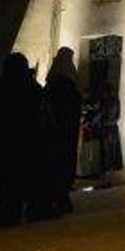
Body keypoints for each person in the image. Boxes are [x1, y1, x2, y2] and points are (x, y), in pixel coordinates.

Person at [0, 54, 46, 226]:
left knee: (6, 181)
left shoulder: (2, 87)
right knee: (22, 178)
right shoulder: (33, 89)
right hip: (27, 143)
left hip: (6, 142)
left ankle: (7, 212)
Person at [44, 48, 83, 216]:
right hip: (66, 135)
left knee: (52, 163)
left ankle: (52, 197)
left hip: (52, 134)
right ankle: (61, 198)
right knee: (64, 163)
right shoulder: (71, 86)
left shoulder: (51, 85)